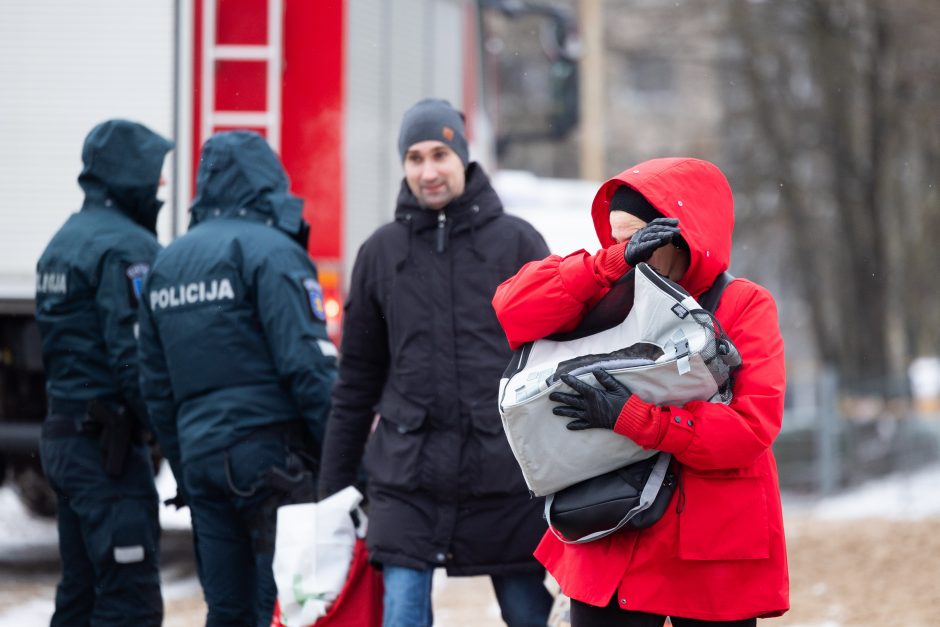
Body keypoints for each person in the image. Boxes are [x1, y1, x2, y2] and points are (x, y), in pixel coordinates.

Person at [492, 157, 788, 626]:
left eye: (637, 238)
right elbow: (512, 309)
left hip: (711, 546)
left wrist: (635, 417)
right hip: (612, 530)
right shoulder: (605, 286)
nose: (627, 249)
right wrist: (608, 265)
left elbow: (750, 430)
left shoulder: (745, 305)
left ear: (682, 234)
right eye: (616, 238)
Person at [317, 98, 554, 627]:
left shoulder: (516, 243)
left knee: (526, 610)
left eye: (440, 155)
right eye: (415, 157)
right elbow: (356, 382)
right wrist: (331, 491)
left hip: (502, 473)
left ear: (464, 158)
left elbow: (554, 360)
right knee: (401, 613)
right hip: (407, 477)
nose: (428, 171)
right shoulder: (381, 252)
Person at [137, 130, 337, 627]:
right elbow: (308, 367)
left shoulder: (166, 264)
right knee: (284, 607)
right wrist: (343, 465)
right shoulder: (273, 252)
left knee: (225, 610)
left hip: (202, 460)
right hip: (272, 460)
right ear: (267, 181)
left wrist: (185, 465)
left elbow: (156, 388)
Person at [35, 119, 172, 626]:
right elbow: (136, 361)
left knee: (82, 592)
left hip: (67, 442)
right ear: (127, 174)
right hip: (107, 454)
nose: (161, 185)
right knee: (129, 600)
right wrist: (175, 440)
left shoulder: (62, 241)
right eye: (154, 172)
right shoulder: (127, 249)